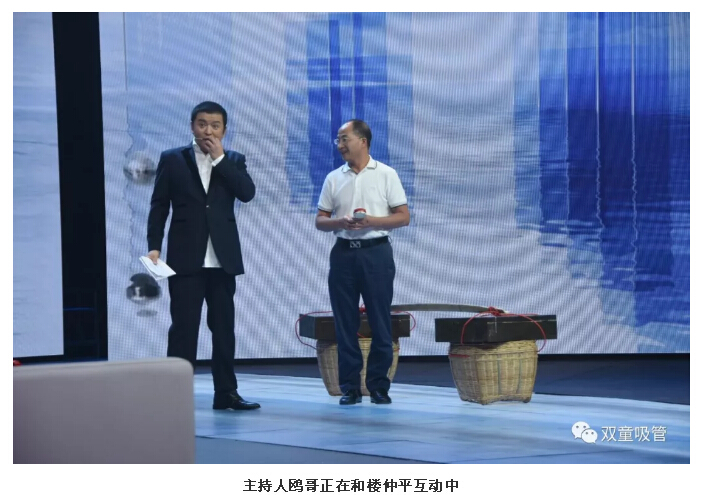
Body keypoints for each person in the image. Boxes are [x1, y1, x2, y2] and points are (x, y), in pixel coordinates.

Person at [146, 101, 259, 410]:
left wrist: (220, 158)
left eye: (215, 125)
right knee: (183, 329)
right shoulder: (172, 159)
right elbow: (159, 206)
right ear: (192, 126)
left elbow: (246, 193)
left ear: (224, 130)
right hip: (185, 259)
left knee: (223, 330)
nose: (208, 130)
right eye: (202, 124)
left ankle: (226, 393)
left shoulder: (233, 160)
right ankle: (175, 395)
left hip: (222, 261)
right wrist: (154, 245)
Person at [315, 119, 410, 405]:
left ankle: (379, 386)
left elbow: (403, 217)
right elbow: (320, 220)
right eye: (338, 140)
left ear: (363, 141)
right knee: (345, 322)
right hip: (343, 254)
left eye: (344, 139)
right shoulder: (334, 178)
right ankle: (350, 388)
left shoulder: (386, 174)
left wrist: (371, 221)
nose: (340, 145)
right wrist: (339, 222)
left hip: (376, 253)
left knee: (380, 320)